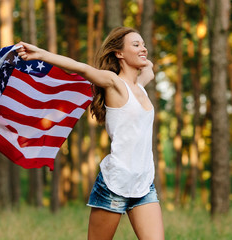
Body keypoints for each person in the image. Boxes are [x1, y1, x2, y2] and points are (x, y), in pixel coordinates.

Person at [16, 26, 164, 240]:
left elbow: (149, 70)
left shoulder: (140, 86)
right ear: (119, 53)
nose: (143, 48)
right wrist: (40, 54)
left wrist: (146, 62)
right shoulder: (113, 83)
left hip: (143, 184)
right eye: (136, 45)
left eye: (143, 44)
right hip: (115, 184)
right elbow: (81, 68)